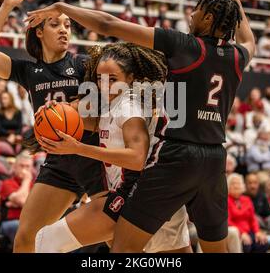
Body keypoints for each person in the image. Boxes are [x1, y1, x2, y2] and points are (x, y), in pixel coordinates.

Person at [26, 0, 256, 252]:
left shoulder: (185, 46)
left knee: (122, 249)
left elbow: (107, 23)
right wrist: (236, 1)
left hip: (175, 157)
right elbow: (249, 41)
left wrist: (62, 7)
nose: (191, 15)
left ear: (208, 19)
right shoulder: (237, 56)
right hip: (214, 160)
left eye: (197, 10)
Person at [0, 0, 104, 252]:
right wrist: (8, 5)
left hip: (95, 157)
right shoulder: (28, 70)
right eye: (56, 24)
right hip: (59, 162)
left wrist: (70, 109)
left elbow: (102, 107)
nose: (64, 30)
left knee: (119, 238)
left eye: (68, 25)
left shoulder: (84, 65)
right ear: (38, 31)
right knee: (26, 238)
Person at [35, 43, 191, 253]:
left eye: (112, 79)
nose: (105, 85)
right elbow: (89, 121)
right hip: (159, 199)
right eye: (100, 79)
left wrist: (78, 148)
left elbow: (136, 158)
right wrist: (55, 110)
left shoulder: (128, 107)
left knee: (47, 241)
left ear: (130, 78)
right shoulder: (117, 103)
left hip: (134, 195)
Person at [227, 173, 268, 253]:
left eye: (238, 183)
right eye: (233, 183)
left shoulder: (247, 199)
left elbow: (252, 219)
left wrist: (257, 232)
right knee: (246, 246)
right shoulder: (226, 200)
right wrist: (241, 233)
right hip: (236, 233)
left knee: (262, 243)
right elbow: (228, 221)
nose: (236, 186)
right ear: (228, 186)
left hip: (249, 232)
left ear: (242, 186)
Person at [0, 152, 34, 245]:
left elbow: (40, 207)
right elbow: (22, 201)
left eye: (27, 167)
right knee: (21, 227)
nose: (24, 169)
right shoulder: (7, 183)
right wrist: (27, 180)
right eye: (21, 166)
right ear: (14, 167)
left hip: (30, 222)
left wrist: (16, 203)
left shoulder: (36, 185)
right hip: (10, 222)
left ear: (31, 168)